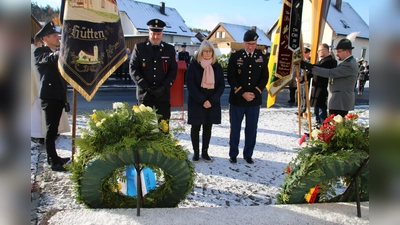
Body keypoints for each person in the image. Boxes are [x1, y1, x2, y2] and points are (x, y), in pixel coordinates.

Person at [227, 30, 269, 164]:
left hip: (254, 100)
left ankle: (248, 154)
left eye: (254, 44)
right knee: (235, 128)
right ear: (244, 43)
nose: (251, 46)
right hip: (237, 99)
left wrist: (255, 93)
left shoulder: (261, 56)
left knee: (251, 129)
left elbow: (264, 77)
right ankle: (233, 153)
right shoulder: (235, 56)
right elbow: (231, 77)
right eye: (249, 44)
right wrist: (242, 93)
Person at [34, 21, 70, 171]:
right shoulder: (40, 52)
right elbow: (49, 59)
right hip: (49, 96)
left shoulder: (55, 52)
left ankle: (55, 157)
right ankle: (52, 161)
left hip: (58, 95)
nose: (58, 38)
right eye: (55, 36)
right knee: (50, 131)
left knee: (54, 130)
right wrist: (62, 49)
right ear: (45, 38)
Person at [130, 19, 178, 122]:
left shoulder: (169, 49)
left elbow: (173, 70)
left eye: (158, 34)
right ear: (149, 33)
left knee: (163, 127)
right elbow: (133, 68)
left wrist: (164, 87)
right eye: (153, 34)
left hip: (163, 94)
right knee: (143, 128)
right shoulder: (140, 48)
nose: (156, 37)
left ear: (162, 34)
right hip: (145, 95)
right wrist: (146, 87)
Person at [186, 40, 225, 162]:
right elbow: (190, 85)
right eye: (205, 51)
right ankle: (196, 153)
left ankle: (205, 152)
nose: (208, 53)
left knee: (208, 128)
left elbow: (221, 86)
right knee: (196, 128)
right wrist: (202, 100)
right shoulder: (194, 66)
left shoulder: (217, 67)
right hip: (197, 102)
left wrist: (211, 101)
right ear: (201, 52)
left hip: (212, 103)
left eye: (210, 51)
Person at [301, 38, 358, 117]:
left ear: (347, 51)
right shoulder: (347, 62)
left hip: (340, 101)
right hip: (338, 100)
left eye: (339, 52)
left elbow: (331, 73)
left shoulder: (348, 64)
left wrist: (310, 67)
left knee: (336, 125)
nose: (336, 54)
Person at [308, 43, 337, 125]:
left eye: (320, 50)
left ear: (326, 50)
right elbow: (312, 72)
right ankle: (318, 127)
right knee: (316, 111)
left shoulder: (330, 61)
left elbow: (318, 68)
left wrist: (308, 66)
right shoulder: (320, 62)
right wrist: (302, 78)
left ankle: (323, 128)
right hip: (316, 89)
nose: (318, 52)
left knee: (321, 112)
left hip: (323, 89)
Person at [294, 47, 311, 116]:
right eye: (303, 53)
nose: (304, 54)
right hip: (300, 80)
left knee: (304, 95)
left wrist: (303, 78)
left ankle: (303, 109)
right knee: (300, 95)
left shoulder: (309, 61)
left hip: (306, 80)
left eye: (306, 53)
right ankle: (300, 109)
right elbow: (297, 70)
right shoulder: (301, 61)